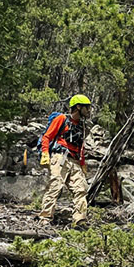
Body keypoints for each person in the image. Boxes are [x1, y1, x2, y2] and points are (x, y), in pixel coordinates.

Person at [38, 94, 91, 227]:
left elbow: (81, 148)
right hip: (60, 157)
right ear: (78, 107)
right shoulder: (62, 119)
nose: (88, 111)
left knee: (81, 189)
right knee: (55, 186)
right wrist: (45, 153)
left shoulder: (82, 126)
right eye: (86, 107)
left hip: (74, 161)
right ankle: (45, 217)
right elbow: (47, 136)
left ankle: (80, 220)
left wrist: (83, 164)